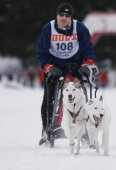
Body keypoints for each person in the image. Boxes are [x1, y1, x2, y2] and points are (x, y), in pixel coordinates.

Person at [36, 2, 99, 145]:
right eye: (61, 15)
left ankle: (84, 129)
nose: (64, 18)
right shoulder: (49, 28)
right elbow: (41, 52)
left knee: (80, 94)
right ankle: (47, 129)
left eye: (67, 15)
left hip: (75, 64)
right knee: (49, 97)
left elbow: (88, 49)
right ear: (57, 16)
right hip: (55, 65)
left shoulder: (80, 28)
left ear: (71, 17)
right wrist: (49, 67)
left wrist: (87, 64)